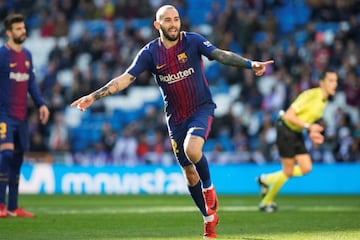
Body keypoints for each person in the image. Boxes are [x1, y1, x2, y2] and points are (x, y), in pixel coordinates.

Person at [71, 5, 273, 239]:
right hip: (175, 119)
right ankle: (209, 220)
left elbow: (220, 55)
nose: (173, 23)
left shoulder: (193, 41)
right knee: (188, 173)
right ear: (158, 25)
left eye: (176, 19)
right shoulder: (150, 53)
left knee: (192, 149)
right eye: (167, 20)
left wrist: (250, 64)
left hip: (200, 108)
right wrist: (93, 96)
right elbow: (124, 79)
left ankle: (209, 188)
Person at [257, 69, 338, 212]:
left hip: (297, 132)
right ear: (321, 83)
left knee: (306, 167)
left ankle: (265, 179)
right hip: (285, 129)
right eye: (331, 81)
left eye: (336, 81)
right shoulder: (311, 95)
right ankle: (266, 202)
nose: (335, 84)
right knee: (287, 171)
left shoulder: (324, 101)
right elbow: (289, 115)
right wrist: (309, 126)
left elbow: (306, 120)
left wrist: (312, 131)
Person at [0, 13, 50, 218]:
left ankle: (13, 207)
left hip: (21, 117)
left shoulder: (27, 55)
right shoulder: (2, 55)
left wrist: (41, 104)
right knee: (6, 155)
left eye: (24, 28)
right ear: (8, 33)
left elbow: (31, 84)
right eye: (19, 29)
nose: (23, 31)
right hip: (4, 115)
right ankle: (1, 205)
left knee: (18, 159)